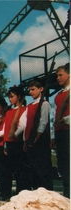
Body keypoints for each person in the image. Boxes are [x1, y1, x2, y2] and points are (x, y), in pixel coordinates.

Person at [23, 80, 53, 191]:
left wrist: (38, 136)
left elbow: (43, 121)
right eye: (29, 90)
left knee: (43, 168)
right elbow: (26, 124)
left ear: (41, 89)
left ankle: (46, 191)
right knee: (33, 167)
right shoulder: (29, 106)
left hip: (40, 139)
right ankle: (36, 190)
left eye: (33, 89)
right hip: (30, 139)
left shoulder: (44, 104)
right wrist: (25, 140)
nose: (31, 92)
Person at [1, 86, 27, 200]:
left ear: (19, 96)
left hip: (18, 142)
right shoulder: (9, 112)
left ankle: (21, 193)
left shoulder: (24, 109)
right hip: (9, 142)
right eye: (9, 97)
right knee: (7, 170)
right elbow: (6, 128)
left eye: (12, 97)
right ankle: (6, 193)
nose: (10, 99)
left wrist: (15, 134)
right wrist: (5, 143)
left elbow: (23, 125)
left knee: (20, 170)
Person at [51, 63, 70, 198]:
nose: (58, 78)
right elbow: (55, 116)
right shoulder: (58, 96)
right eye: (57, 75)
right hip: (60, 133)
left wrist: (66, 120)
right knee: (63, 164)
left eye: (60, 75)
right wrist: (53, 136)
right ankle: (67, 192)